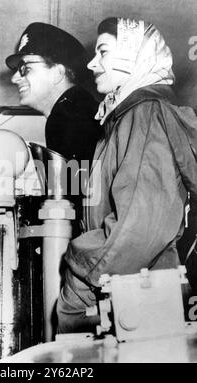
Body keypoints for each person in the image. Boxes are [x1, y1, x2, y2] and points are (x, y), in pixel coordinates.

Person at [57, 17, 197, 333]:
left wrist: (78, 283)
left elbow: (137, 228)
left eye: (103, 52)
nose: (92, 64)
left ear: (134, 56)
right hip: (137, 292)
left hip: (137, 299)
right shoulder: (127, 117)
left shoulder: (144, 113)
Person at [5, 22, 101, 169]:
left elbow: (72, 189)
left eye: (26, 68)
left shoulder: (67, 117)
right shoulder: (76, 108)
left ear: (57, 73)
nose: (14, 78)